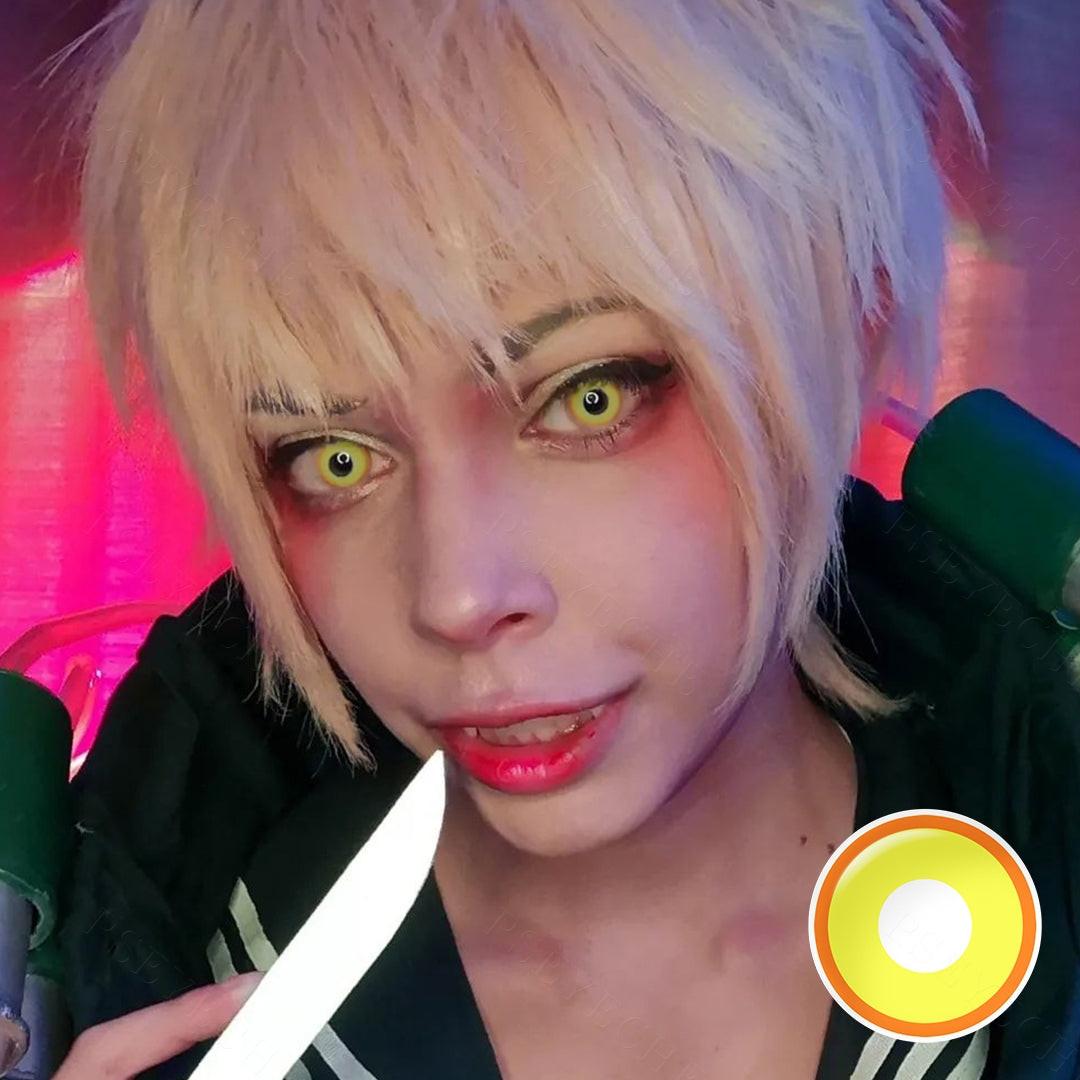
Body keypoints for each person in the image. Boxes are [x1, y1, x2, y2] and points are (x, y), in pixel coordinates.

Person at [30, 0, 1080, 1077]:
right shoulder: (159, 995)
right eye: (332, 458)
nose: (456, 596)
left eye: (587, 398)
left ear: (849, 329)